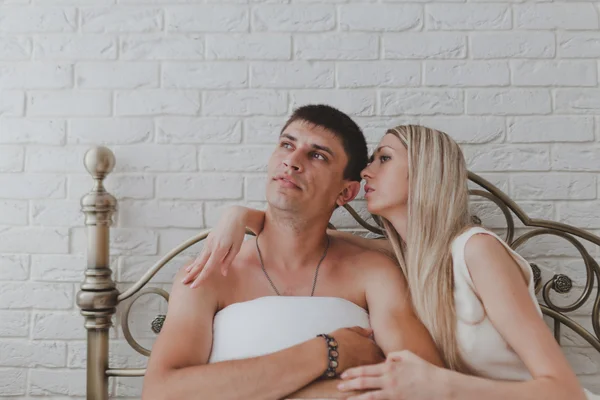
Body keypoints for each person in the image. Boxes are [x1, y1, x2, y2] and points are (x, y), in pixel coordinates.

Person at [184, 124, 598, 399]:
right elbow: (300, 232)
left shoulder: (477, 252)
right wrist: (238, 215)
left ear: (425, 172)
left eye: (384, 158)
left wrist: (441, 385)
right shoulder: (405, 256)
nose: (366, 170)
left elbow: (561, 388)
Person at [142, 106, 442, 400]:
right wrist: (327, 352)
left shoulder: (372, 273)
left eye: (317, 155)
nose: (292, 161)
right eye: (287, 145)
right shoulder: (209, 272)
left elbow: (427, 386)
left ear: (346, 193)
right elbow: (161, 392)